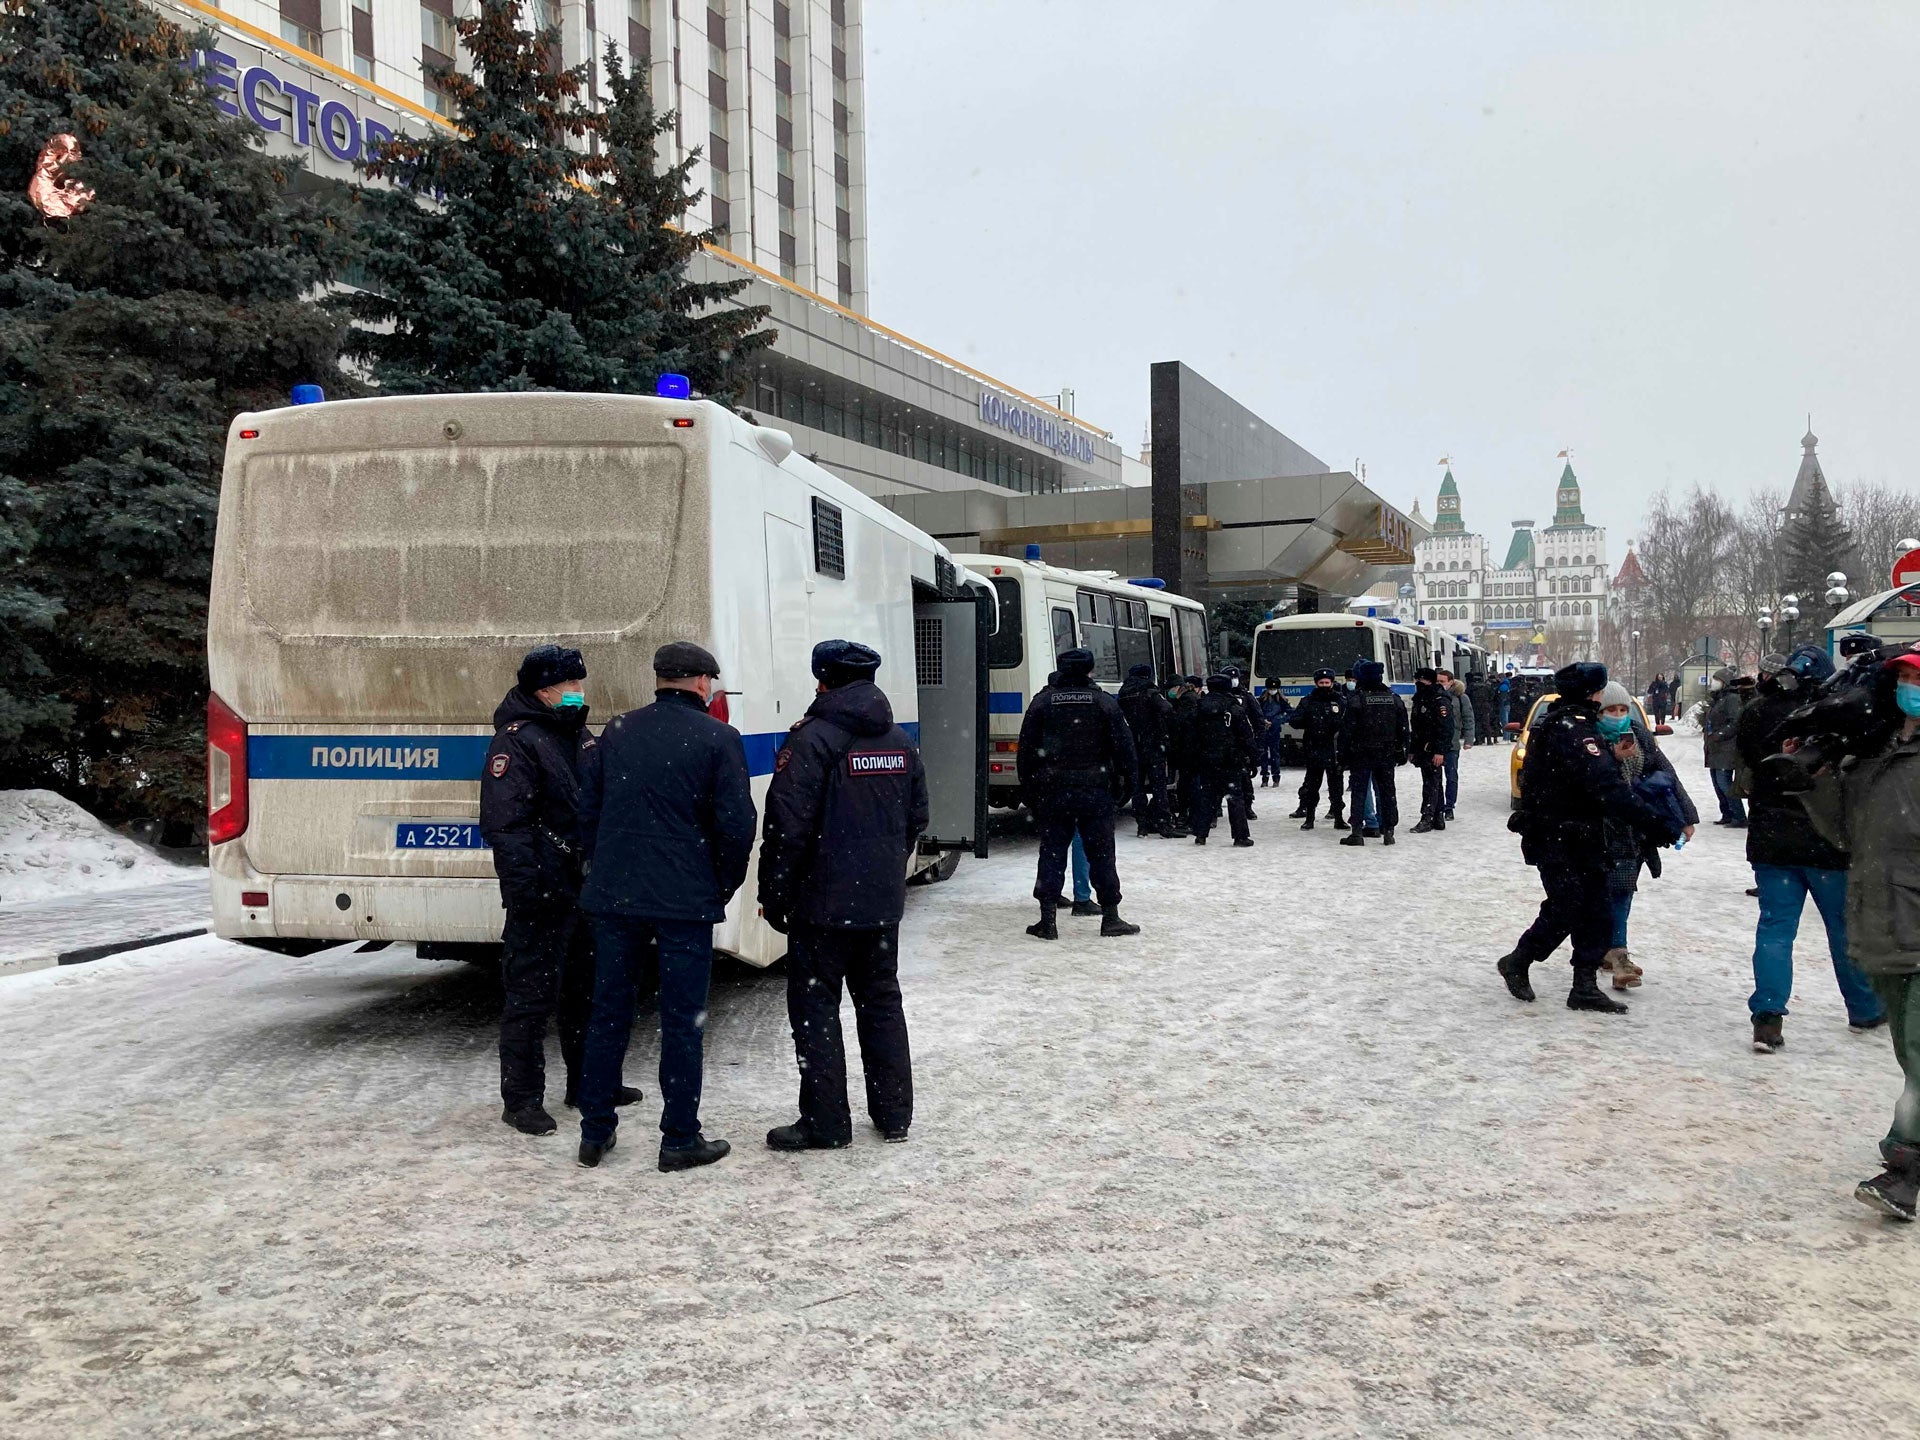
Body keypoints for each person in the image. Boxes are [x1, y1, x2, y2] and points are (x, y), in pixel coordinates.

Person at [574, 641, 757, 1172]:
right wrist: (717, 886)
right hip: (683, 900)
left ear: (660, 680)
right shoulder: (720, 738)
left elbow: (589, 812)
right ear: (701, 683)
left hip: (615, 894)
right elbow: (736, 826)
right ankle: (679, 1138)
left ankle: (594, 1132)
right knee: (682, 1020)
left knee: (608, 1012)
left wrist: (602, 869)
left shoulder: (617, 731)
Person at [758, 640, 927, 1151]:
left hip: (823, 907)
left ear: (824, 680)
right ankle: (894, 1114)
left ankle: (827, 1123)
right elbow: (917, 819)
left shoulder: (812, 740)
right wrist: (881, 872)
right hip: (880, 904)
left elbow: (787, 828)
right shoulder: (898, 740)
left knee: (816, 1010)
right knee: (880, 1003)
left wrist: (776, 894)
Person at [481, 644, 634, 1136]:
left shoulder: (577, 734)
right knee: (530, 997)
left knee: (585, 991)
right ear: (543, 690)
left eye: (578, 685)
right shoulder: (518, 741)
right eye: (569, 685)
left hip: (584, 887)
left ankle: (589, 1084)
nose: (577, 693)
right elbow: (506, 825)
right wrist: (526, 891)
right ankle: (522, 1098)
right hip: (543, 890)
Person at [1496, 662, 1680, 1015]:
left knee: (1596, 910)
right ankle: (1518, 960)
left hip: (1581, 835)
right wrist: (1653, 822)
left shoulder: (1571, 724)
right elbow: (1604, 787)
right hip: (1558, 836)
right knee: (1567, 907)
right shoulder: (1574, 729)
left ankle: (1583, 986)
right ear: (1591, 693)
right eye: (1600, 691)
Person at [1735, 645, 1884, 1052]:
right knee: (1842, 929)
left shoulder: (1759, 712)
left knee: (1775, 928)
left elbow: (1748, 759)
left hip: (1770, 837)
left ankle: (1767, 1016)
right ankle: (1864, 1007)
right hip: (1824, 841)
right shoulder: (1839, 717)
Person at [1833, 647, 1920, 1221]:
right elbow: (1847, 835)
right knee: (1910, 1059)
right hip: (1885, 922)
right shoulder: (1884, 748)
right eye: (1906, 678)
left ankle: (1904, 1169)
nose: (1910, 687)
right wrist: (1815, 777)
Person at [1017, 647, 1140, 939]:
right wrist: (1126, 787)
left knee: (1051, 852)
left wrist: (1032, 792)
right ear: (1089, 670)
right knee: (1101, 854)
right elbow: (1125, 749)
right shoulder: (1104, 703)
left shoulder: (1042, 702)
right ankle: (1110, 917)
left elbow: (1025, 753)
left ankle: (1048, 920)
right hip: (1095, 791)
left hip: (1053, 791)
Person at [1593, 681, 1697, 990]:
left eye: (1623, 709)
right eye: (1610, 710)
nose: (1618, 715)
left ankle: (1615, 954)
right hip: (1601, 828)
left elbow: (1667, 774)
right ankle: (1609, 952)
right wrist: (1613, 759)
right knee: (1603, 893)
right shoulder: (1591, 739)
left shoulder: (1639, 735)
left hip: (1634, 829)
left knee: (1623, 890)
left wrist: (1686, 816)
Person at [1338, 659, 1408, 846]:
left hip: (1361, 753)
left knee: (1359, 792)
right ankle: (1389, 831)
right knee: (1387, 792)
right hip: (1386, 753)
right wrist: (1401, 749)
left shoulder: (1357, 700)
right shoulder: (1393, 698)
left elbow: (1347, 730)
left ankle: (1357, 832)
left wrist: (1343, 754)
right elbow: (1403, 728)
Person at [1185, 672, 1258, 847]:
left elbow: (1190, 736)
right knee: (1235, 797)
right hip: (1230, 760)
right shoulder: (1234, 709)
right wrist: (1254, 759)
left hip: (1207, 759)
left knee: (1207, 796)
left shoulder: (1199, 708)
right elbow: (1246, 736)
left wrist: (1193, 758)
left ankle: (1200, 834)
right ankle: (1240, 836)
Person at [1118, 663, 1184, 838]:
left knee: (1137, 787)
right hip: (1153, 746)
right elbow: (1167, 710)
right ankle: (1163, 824)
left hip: (1133, 747)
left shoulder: (1123, 694)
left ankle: (1142, 825)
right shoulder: (1151, 692)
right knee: (1159, 786)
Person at [1289, 669, 1347, 831]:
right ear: (1316, 683)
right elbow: (1294, 720)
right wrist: (1310, 721)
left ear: (1331, 683)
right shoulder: (1308, 701)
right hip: (1314, 747)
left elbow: (1348, 721)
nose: (1324, 685)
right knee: (1312, 786)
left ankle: (1338, 817)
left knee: (1336, 786)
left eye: (1326, 683)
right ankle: (1309, 818)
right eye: (1321, 683)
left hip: (1333, 749)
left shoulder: (1339, 700)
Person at [1409, 667, 1455, 834]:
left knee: (1431, 784)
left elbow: (1446, 727)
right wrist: (1413, 749)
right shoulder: (1421, 698)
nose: (1419, 684)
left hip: (1433, 748)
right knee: (1433, 782)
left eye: (1422, 681)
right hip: (1423, 748)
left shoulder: (1439, 700)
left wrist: (1439, 750)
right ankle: (1437, 816)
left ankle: (1427, 818)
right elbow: (1416, 727)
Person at [1703, 666, 1747, 826]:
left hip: (1726, 748)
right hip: (1715, 748)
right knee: (1717, 782)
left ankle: (1739, 816)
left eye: (1718, 680)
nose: (1714, 683)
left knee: (1724, 782)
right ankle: (1727, 813)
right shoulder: (1719, 698)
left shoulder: (1732, 699)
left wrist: (1720, 735)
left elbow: (1735, 721)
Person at [1444, 672, 1471, 814]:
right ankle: (1436, 808)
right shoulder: (1436, 696)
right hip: (1437, 743)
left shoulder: (1461, 698)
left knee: (1451, 776)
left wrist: (1469, 740)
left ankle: (1449, 806)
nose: (1441, 684)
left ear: (1451, 682)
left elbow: (1468, 718)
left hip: (1452, 743)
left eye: (1443, 681)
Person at [1258, 682, 1292, 787]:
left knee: (1275, 754)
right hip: (1263, 730)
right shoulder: (1261, 699)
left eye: (1274, 688)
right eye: (1271, 688)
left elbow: (1289, 712)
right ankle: (1264, 777)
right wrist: (1263, 721)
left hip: (1275, 729)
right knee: (1263, 754)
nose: (1272, 690)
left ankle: (1276, 777)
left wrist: (1278, 720)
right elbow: (1256, 712)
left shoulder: (1281, 700)